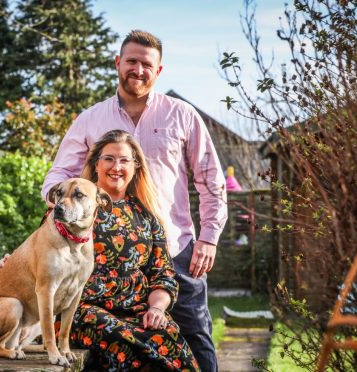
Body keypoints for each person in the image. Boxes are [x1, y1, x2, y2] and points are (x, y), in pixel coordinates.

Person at [42, 30, 227, 371]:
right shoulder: (90, 119)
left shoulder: (182, 116)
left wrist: (209, 237)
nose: (138, 70)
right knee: (110, 350)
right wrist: (58, 223)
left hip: (177, 248)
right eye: (131, 61)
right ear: (118, 63)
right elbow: (56, 179)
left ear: (158, 71)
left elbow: (211, 181)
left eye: (146, 64)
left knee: (196, 337)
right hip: (104, 256)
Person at [71, 129, 198, 370]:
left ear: (135, 166)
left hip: (138, 311)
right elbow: (41, 251)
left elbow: (162, 274)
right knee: (130, 345)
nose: (115, 166)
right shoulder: (74, 205)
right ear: (96, 164)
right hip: (83, 310)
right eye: (108, 158)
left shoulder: (147, 215)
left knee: (171, 341)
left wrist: (157, 309)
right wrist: (9, 263)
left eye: (124, 160)